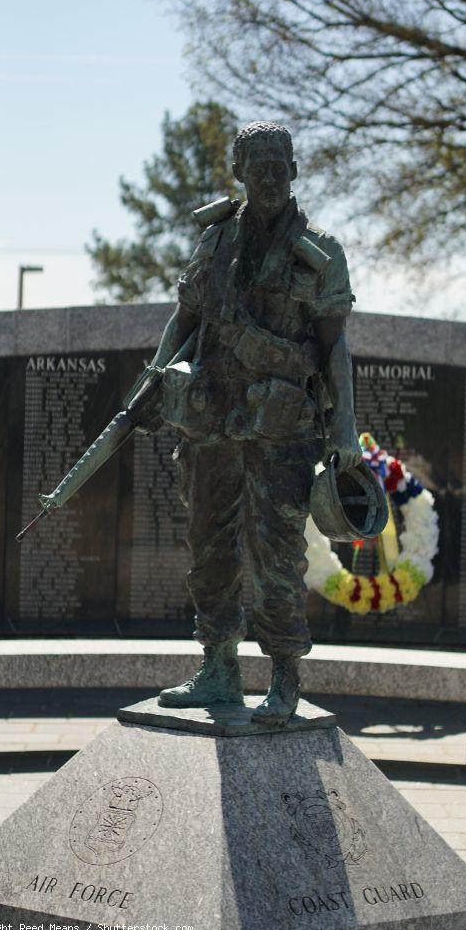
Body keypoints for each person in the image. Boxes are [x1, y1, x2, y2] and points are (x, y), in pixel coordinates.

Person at [142, 121, 361, 725]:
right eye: (255, 160)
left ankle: (285, 675)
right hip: (212, 420)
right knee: (208, 549)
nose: (267, 170)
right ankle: (218, 668)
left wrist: (343, 428)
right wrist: (154, 377)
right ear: (238, 170)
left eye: (277, 159)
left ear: (293, 168)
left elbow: (335, 346)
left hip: (282, 427)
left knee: (277, 556)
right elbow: (184, 318)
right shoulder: (215, 242)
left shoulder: (319, 251)